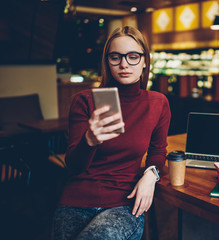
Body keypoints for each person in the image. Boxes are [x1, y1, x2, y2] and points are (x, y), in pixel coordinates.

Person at [53, 26, 171, 240]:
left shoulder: (157, 103)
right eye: (115, 57)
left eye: (133, 57)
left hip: (123, 202)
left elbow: (158, 151)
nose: (124, 64)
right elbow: (73, 165)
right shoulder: (85, 100)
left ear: (145, 61)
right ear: (107, 62)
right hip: (76, 199)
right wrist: (89, 140)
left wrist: (151, 174)